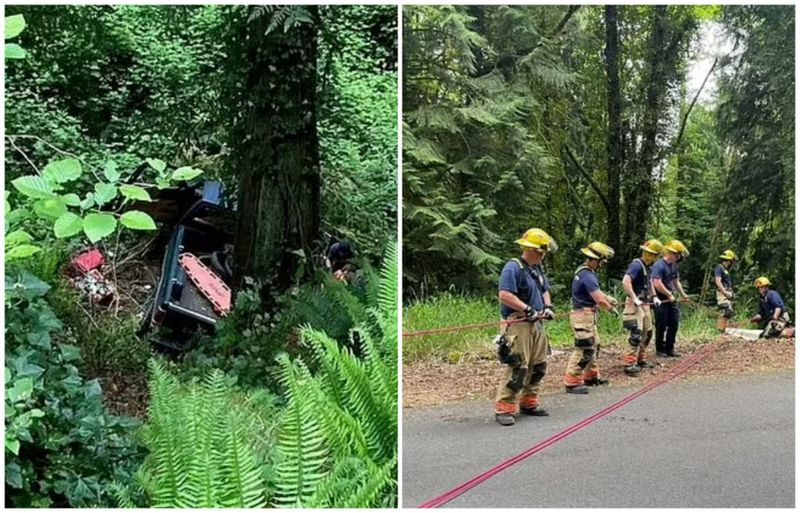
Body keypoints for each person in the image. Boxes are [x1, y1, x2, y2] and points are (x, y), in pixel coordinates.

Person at [494, 228, 558, 426]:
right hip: (518, 323)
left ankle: (529, 402)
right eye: (541, 251)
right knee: (518, 366)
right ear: (530, 249)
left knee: (538, 365)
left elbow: (544, 290)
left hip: (537, 324)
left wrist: (547, 307)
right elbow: (504, 294)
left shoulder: (536, 269)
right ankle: (504, 407)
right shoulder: (513, 267)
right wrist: (526, 308)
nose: (543, 255)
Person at [563, 241, 617, 394]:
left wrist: (608, 298)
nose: (601, 264)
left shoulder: (585, 272)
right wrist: (610, 308)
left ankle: (591, 376)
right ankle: (572, 381)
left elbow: (597, 294)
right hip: (583, 316)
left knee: (594, 345)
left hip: (587, 315)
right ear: (594, 259)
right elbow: (598, 299)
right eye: (601, 261)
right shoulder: (587, 275)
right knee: (584, 348)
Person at [621, 239, 663, 375]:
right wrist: (634, 298)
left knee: (648, 332)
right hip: (635, 304)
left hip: (645, 304)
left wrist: (654, 296)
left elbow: (649, 283)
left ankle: (641, 358)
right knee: (636, 334)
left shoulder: (648, 267)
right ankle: (630, 363)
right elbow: (626, 281)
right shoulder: (636, 265)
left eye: (651, 253)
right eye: (647, 253)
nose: (648, 255)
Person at [651, 239, 690, 358]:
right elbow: (656, 283)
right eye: (678, 255)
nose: (679, 258)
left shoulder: (673, 265)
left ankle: (670, 348)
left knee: (674, 323)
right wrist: (668, 294)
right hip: (661, 299)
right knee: (661, 325)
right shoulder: (659, 265)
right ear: (673, 254)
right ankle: (660, 349)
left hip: (671, 299)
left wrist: (683, 294)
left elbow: (676, 281)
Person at [714, 250, 737, 331]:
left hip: (728, 292)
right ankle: (720, 329)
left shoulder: (725, 269)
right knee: (725, 309)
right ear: (729, 260)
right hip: (722, 292)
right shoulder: (719, 268)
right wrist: (724, 292)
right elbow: (718, 281)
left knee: (729, 312)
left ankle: (725, 329)